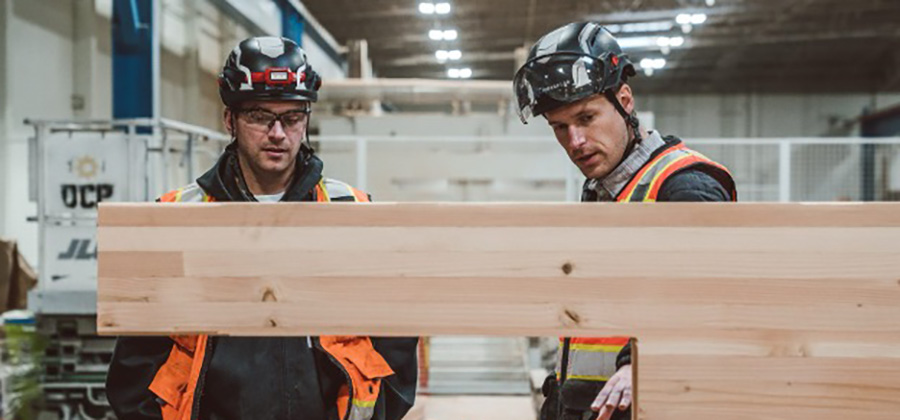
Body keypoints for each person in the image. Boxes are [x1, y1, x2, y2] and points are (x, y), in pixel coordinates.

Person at [106, 36, 418, 420]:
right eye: (258, 116)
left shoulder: (350, 214)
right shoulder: (177, 218)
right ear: (229, 120)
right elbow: (135, 366)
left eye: (292, 118)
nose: (277, 133)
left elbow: (396, 341)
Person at [513, 22, 736, 420]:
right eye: (560, 127)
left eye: (586, 118)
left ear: (625, 100)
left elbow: (709, 301)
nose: (575, 141)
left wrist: (641, 364)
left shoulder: (684, 185)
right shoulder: (608, 189)